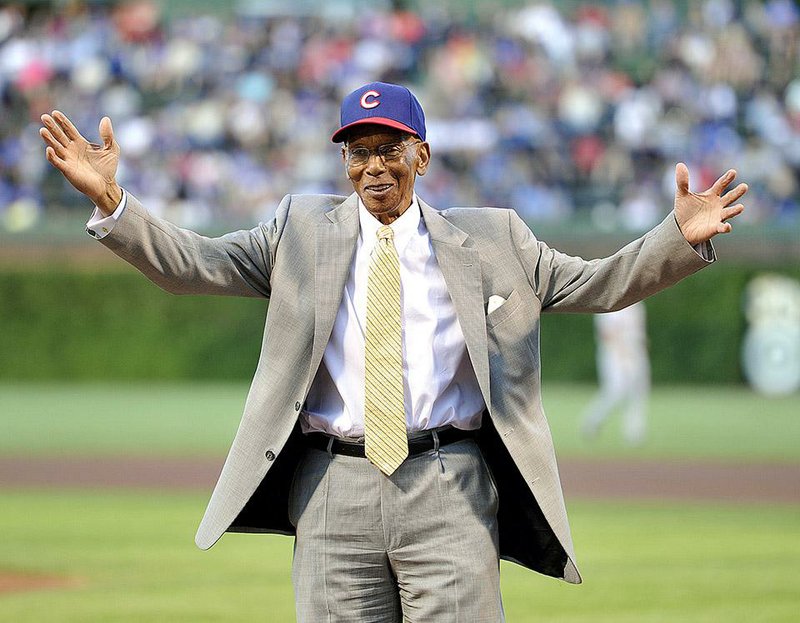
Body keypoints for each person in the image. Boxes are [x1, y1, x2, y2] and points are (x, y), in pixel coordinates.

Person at [39, 81, 747, 622]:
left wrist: (676, 238)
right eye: (358, 151)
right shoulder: (298, 230)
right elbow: (191, 265)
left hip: (450, 487)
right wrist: (115, 202)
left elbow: (599, 284)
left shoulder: (496, 237)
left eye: (390, 149)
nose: (373, 166)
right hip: (330, 492)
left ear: (423, 155)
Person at [581, 301, 651, 445]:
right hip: (614, 354)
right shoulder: (609, 303)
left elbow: (640, 330)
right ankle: (592, 420)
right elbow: (606, 334)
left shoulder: (637, 305)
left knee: (639, 391)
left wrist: (641, 351)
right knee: (616, 390)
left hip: (636, 352)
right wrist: (622, 353)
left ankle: (634, 432)